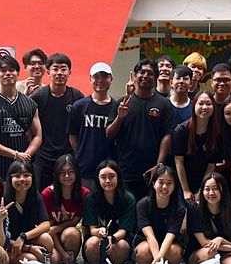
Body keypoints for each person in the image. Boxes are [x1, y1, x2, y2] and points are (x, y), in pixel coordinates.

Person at [106, 58, 175, 200]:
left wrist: (159, 165)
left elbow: (167, 136)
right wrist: (120, 117)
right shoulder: (122, 102)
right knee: (127, 212)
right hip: (126, 170)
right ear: (135, 76)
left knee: (150, 212)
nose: (145, 76)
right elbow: (109, 134)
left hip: (152, 171)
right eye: (141, 72)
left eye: (150, 73)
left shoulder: (164, 104)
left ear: (155, 78)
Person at [0, 54, 43, 178]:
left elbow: (38, 135)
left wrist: (26, 155)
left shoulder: (30, 103)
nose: (8, 73)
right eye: (3, 70)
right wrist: (14, 154)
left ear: (18, 73)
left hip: (23, 169)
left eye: (12, 70)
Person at [31, 53, 84, 192]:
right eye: (55, 69)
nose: (59, 73)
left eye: (63, 69)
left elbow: (80, 130)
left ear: (69, 72)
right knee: (42, 197)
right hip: (43, 159)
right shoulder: (38, 97)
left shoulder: (77, 97)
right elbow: (30, 130)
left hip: (68, 158)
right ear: (48, 72)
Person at [0, 160, 54, 264]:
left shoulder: (34, 195)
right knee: (31, 259)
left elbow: (46, 224)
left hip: (23, 240)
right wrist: (29, 248)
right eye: (17, 176)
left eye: (26, 175)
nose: (22, 179)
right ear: (10, 178)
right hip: (5, 243)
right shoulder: (3, 198)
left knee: (48, 244)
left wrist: (23, 237)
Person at [68, 62, 119, 192]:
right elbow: (73, 135)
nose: (100, 80)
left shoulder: (117, 107)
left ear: (111, 79)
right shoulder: (79, 106)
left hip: (110, 167)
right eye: (96, 77)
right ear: (90, 79)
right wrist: (81, 154)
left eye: (104, 76)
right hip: (85, 168)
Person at [83, 160, 138, 264]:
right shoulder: (91, 199)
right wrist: (99, 232)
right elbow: (91, 229)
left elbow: (124, 231)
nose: (108, 181)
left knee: (121, 245)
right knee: (93, 243)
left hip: (119, 239)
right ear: (98, 179)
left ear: (118, 177)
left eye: (112, 176)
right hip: (98, 238)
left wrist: (111, 239)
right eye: (103, 177)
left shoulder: (129, 199)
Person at [134, 164, 188, 264]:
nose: (164, 187)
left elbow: (170, 236)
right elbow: (149, 235)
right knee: (144, 251)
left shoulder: (179, 208)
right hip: (147, 242)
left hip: (169, 243)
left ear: (174, 185)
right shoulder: (143, 204)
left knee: (174, 252)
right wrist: (156, 259)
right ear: (153, 184)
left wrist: (159, 258)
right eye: (161, 182)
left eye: (169, 183)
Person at [189, 173, 231, 264]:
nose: (211, 193)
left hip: (224, 252)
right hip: (200, 252)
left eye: (215, 189)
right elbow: (204, 243)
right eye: (207, 189)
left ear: (223, 190)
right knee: (211, 253)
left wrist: (221, 240)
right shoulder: (194, 209)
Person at [173, 90, 221, 205]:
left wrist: (202, 190)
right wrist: (186, 190)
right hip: (182, 183)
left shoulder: (217, 133)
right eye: (201, 103)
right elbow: (179, 162)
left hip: (205, 185)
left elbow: (211, 165)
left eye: (208, 104)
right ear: (194, 105)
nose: (205, 107)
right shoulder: (181, 130)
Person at [41, 154, 88, 264]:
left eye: (70, 171)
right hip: (50, 236)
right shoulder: (48, 194)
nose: (67, 176)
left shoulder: (84, 194)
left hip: (67, 234)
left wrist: (58, 227)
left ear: (76, 173)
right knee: (55, 259)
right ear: (57, 174)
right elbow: (49, 228)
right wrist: (62, 252)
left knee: (72, 233)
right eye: (62, 172)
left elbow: (76, 220)